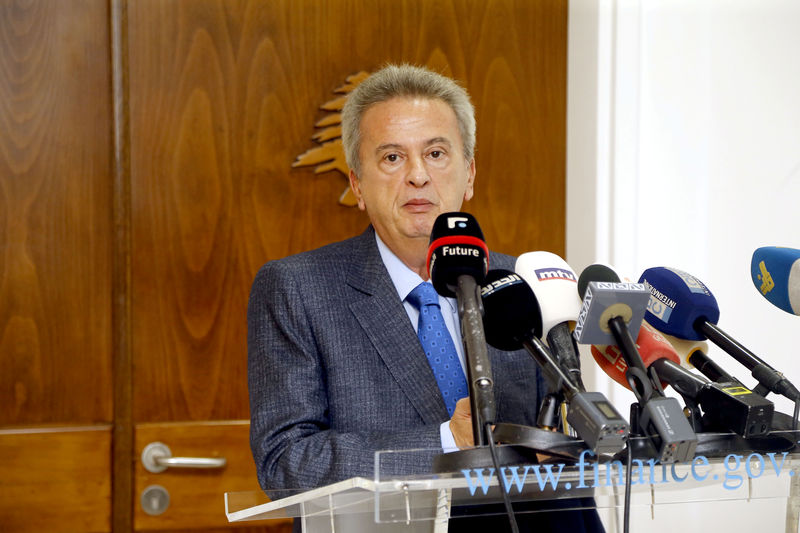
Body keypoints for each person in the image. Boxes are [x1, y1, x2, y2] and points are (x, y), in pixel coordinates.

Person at [248, 64, 603, 531]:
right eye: (392, 158)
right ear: (356, 183)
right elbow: (286, 463)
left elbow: (559, 455)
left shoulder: (523, 282)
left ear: (469, 174)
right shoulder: (298, 288)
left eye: (436, 153)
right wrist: (446, 440)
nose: (418, 175)